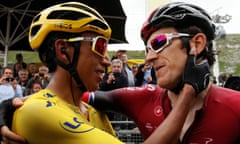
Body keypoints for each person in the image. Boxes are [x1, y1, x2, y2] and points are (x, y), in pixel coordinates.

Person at [1, 2, 239, 144]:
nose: (148, 57)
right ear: (63, 51)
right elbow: (47, 103)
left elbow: (69, 101)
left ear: (196, 44)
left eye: (158, 43)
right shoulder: (139, 98)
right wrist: (7, 109)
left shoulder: (236, 106)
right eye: (146, 49)